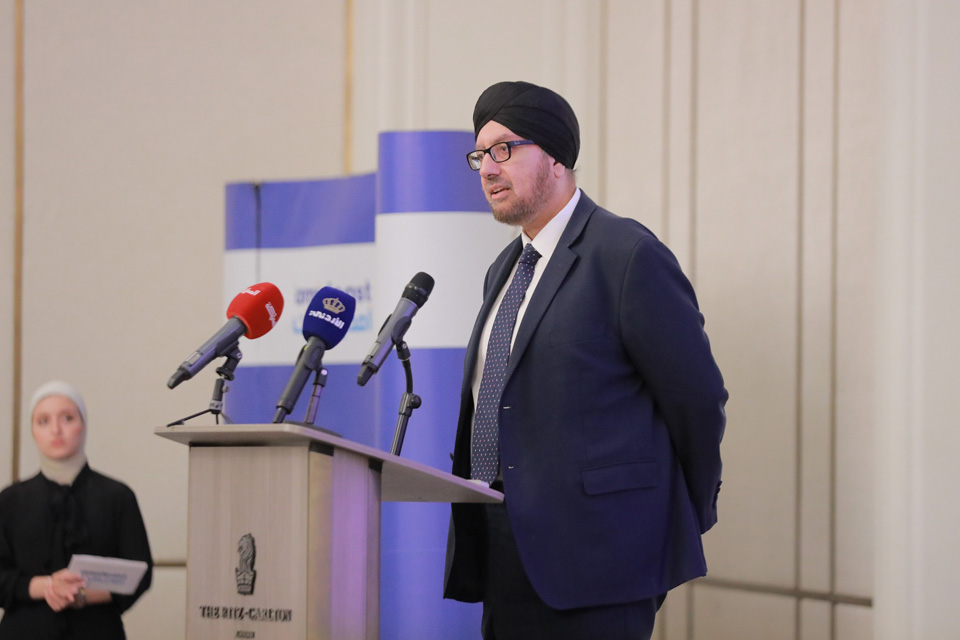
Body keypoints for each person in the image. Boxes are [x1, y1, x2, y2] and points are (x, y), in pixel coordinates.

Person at [443, 81, 728, 639]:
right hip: (503, 545)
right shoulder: (503, 269)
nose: (488, 169)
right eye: (480, 155)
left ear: (556, 157)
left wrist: (679, 513)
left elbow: (697, 399)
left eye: (504, 149)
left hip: (602, 558)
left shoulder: (625, 255)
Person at [0, 381, 153, 639]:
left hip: (97, 630)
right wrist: (48, 586)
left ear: (84, 424)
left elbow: (140, 573)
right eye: (43, 421)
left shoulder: (117, 496)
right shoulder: (10, 500)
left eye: (67, 418)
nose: (56, 430)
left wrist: (80, 595)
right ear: (32, 431)